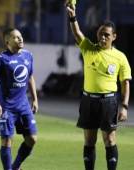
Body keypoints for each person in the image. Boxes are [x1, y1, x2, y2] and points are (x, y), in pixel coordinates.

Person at [66, 2, 131, 170]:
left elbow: (125, 83)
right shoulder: (89, 49)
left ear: (114, 37)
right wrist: (72, 16)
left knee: (109, 140)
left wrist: (124, 107)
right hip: (89, 100)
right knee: (89, 140)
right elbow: (77, 33)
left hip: (109, 102)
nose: (103, 37)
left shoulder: (120, 57)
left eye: (107, 35)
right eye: (101, 34)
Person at [0, 28, 39, 170]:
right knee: (6, 141)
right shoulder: (1, 59)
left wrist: (35, 99)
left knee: (32, 139)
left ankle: (15, 166)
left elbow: (30, 77)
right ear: (7, 41)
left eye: (21, 36)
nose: (20, 39)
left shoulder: (28, 56)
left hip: (23, 106)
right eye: (16, 37)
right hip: (6, 107)